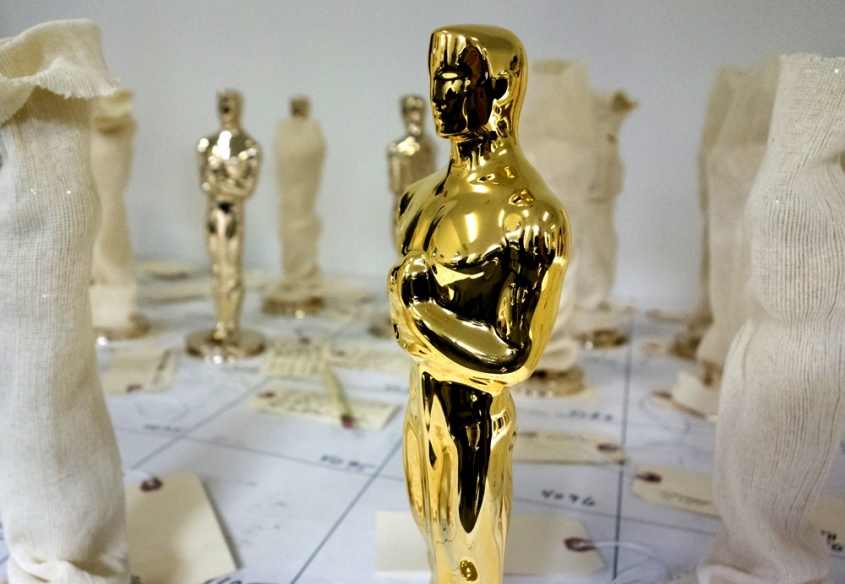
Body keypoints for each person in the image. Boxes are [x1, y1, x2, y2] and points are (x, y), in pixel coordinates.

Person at [389, 24, 569, 584]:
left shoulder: (528, 214)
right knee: (429, 536)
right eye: (435, 79)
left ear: (498, 90)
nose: (439, 95)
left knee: (469, 560)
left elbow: (515, 355)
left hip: (475, 418)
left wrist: (422, 311)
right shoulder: (416, 198)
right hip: (421, 400)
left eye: (453, 80)